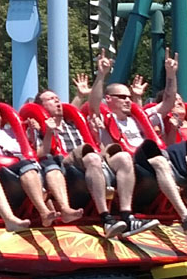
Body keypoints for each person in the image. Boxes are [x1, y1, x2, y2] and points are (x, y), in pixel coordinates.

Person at [90, 54, 187, 234]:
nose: (128, 100)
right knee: (158, 159)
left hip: (150, 155)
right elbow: (94, 103)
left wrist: (171, 74)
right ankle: (186, 216)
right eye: (122, 97)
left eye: (128, 97)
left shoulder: (140, 117)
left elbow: (168, 102)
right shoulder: (103, 117)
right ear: (109, 99)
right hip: (130, 160)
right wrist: (101, 75)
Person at [31, 84, 155, 238]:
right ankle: (106, 218)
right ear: (41, 107)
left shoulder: (73, 124)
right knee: (91, 156)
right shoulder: (39, 126)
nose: (57, 102)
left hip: (89, 157)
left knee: (124, 157)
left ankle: (127, 215)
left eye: (57, 98)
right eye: (51, 99)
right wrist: (48, 132)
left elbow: (95, 144)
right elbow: (39, 154)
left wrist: (96, 134)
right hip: (66, 161)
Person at [0, 97, 85, 229]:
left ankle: (65, 208)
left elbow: (39, 153)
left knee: (52, 166)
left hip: (25, 163)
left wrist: (46, 132)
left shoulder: (10, 132)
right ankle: (44, 212)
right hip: (4, 171)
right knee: (28, 167)